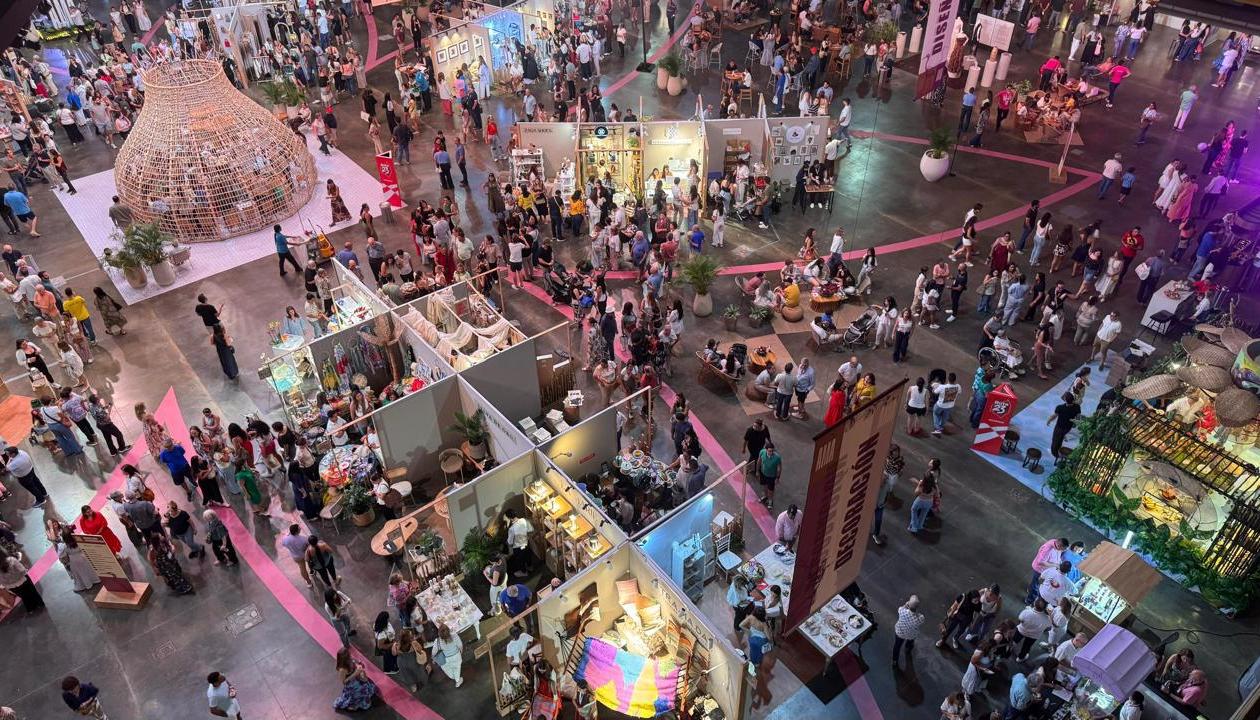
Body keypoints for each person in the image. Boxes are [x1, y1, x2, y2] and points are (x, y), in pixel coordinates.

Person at [146, 531, 194, 595]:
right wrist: (154, 568)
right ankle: (182, 588)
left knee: (176, 572)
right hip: (165, 565)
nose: (162, 536)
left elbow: (169, 546)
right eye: (160, 536)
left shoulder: (163, 541)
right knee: (174, 575)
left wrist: (171, 549)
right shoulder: (153, 549)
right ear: (156, 540)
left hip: (170, 560)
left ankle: (183, 584)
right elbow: (150, 558)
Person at [1047, 392, 1081, 460]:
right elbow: (1078, 417)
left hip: (1059, 427)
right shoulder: (1077, 407)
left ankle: (1055, 454)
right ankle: (1060, 445)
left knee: (1055, 441)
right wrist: (1074, 421)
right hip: (1068, 427)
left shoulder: (1060, 407)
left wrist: (1049, 420)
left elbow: (1054, 416)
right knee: (1061, 438)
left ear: (1065, 400)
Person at [892, 594, 924, 667]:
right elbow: (920, 617)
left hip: (900, 632)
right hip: (911, 634)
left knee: (897, 646)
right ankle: (907, 649)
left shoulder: (902, 611)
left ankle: (894, 660)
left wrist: (906, 605)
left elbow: (900, 608)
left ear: (908, 605)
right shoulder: (920, 618)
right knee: (910, 641)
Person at [504, 509, 533, 577]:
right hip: (526, 543)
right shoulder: (524, 520)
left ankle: (524, 572)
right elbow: (531, 530)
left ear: (510, 518)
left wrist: (508, 545)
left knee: (520, 560)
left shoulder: (512, 528)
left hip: (518, 547)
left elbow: (510, 542)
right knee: (528, 555)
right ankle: (530, 567)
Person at [757, 442, 782, 508]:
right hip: (763, 473)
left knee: (770, 489)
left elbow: (779, 468)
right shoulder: (762, 452)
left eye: (772, 451)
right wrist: (757, 471)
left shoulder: (777, 457)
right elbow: (759, 461)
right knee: (764, 486)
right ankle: (765, 496)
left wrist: (777, 478)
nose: (771, 452)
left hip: (771, 476)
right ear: (766, 450)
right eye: (769, 451)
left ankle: (770, 501)